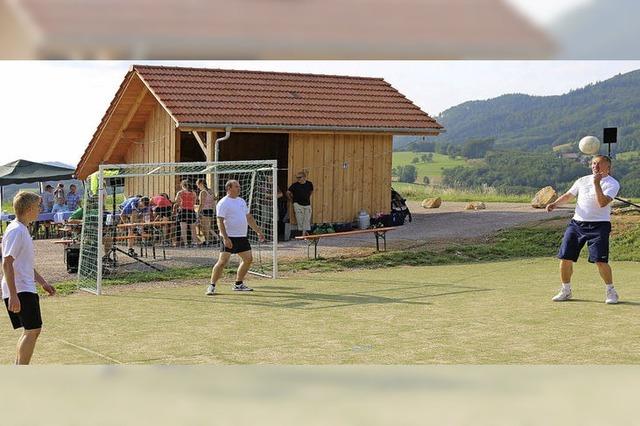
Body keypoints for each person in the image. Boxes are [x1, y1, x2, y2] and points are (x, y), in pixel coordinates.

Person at [546, 155, 621, 304]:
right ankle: (566, 290)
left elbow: (602, 203)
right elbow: (569, 195)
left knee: (600, 260)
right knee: (565, 258)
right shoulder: (582, 180)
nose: (595, 167)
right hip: (577, 224)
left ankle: (611, 292)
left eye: (599, 164)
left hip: (599, 225)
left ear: (608, 167)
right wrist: (555, 203)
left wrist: (596, 184)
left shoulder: (612, 184)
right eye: (593, 163)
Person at [2, 191, 56, 364]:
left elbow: (23, 264)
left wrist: (43, 282)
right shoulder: (17, 231)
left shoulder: (21, 229)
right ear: (29, 209)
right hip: (19, 288)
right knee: (32, 330)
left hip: (24, 287)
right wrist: (13, 294)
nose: (40, 209)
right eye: (38, 206)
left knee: (31, 330)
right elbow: (7, 263)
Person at [206, 179, 265, 295]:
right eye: (236, 186)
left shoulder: (241, 201)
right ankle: (211, 286)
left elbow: (249, 218)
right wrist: (225, 237)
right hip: (229, 237)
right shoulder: (223, 203)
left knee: (248, 259)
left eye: (239, 186)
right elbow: (220, 221)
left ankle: (238, 284)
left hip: (242, 237)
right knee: (222, 262)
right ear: (229, 189)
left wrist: (258, 231)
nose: (239, 188)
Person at [287, 170, 314, 236]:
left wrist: (307, 196)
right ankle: (304, 233)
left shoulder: (309, 184)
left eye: (299, 177)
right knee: (300, 219)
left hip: (307, 203)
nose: (298, 179)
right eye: (297, 177)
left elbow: (311, 191)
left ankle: (304, 233)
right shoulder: (295, 185)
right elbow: (288, 192)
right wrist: (291, 200)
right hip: (297, 204)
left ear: (304, 177)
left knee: (307, 219)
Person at [175, 180, 198, 247]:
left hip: (183, 211)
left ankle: (186, 243)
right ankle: (195, 243)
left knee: (183, 228)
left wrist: (181, 205)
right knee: (193, 228)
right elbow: (194, 202)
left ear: (182, 185)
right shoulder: (193, 193)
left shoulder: (180, 192)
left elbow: (176, 200)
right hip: (191, 211)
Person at [196, 179, 216, 246]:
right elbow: (214, 200)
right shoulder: (210, 191)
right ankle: (215, 238)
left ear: (201, 183)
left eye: (198, 184)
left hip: (205, 210)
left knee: (205, 227)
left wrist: (198, 212)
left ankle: (208, 241)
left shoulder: (203, 192)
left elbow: (202, 203)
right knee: (207, 227)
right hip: (210, 210)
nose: (197, 186)